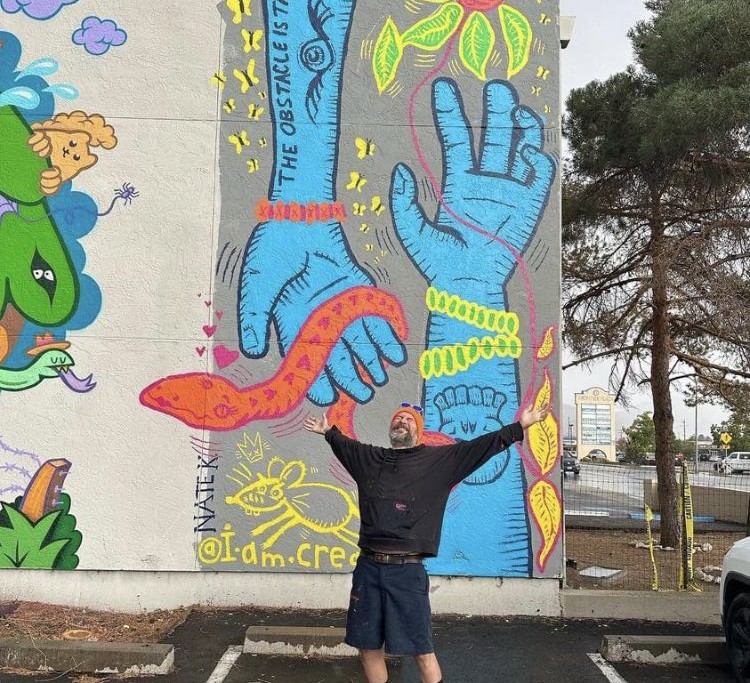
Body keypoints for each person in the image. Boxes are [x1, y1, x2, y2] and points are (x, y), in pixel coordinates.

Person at [303, 400, 550, 683]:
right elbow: (345, 445)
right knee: (368, 648)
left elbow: (481, 447)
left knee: (421, 651)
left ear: (418, 431)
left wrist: (520, 426)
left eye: (409, 419)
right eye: (399, 418)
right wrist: (328, 432)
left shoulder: (440, 463)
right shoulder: (370, 459)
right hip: (368, 570)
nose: (403, 421)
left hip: (407, 572)